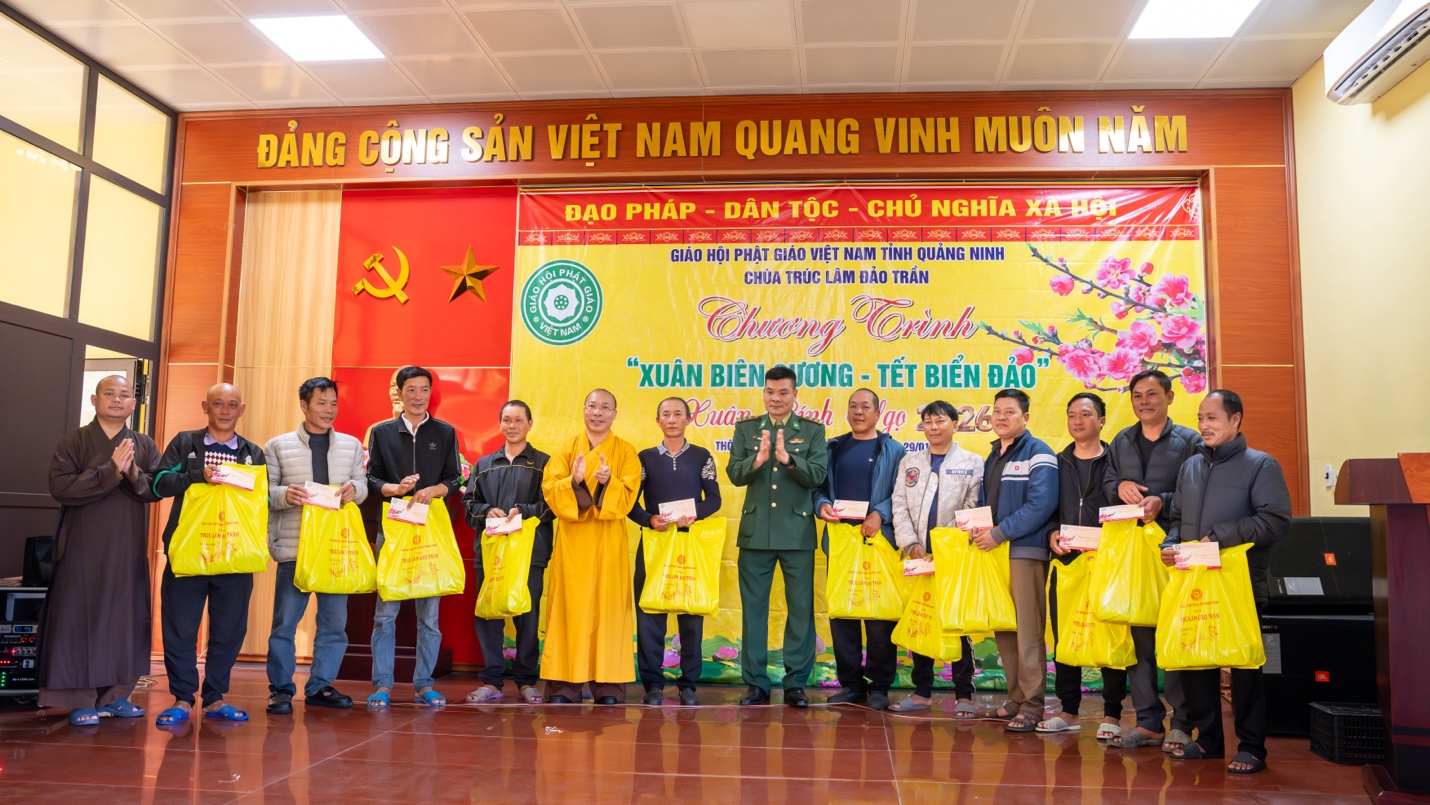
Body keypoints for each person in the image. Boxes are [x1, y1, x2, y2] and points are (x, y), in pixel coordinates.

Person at [1163, 390, 1291, 774]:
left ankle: (1251, 747)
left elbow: (1275, 521)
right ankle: (1209, 741)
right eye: (1200, 418)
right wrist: (1170, 544)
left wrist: (1220, 536)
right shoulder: (1190, 466)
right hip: (1194, 580)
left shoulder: (1261, 465)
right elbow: (1176, 518)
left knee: (1244, 666)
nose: (1204, 425)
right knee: (1196, 660)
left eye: (1212, 418)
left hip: (1239, 582)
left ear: (1235, 420)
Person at [39, 375, 161, 726]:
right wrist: (111, 470)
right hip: (83, 547)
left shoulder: (143, 444)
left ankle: (115, 696)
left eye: (124, 395)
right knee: (78, 617)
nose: (117, 399)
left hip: (126, 548)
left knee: (124, 618)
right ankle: (81, 699)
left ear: (133, 404)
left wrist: (133, 472)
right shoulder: (74, 442)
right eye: (109, 393)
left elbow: (156, 487)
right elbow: (61, 488)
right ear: (94, 400)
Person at [152, 382, 265, 726]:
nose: (225, 410)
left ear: (241, 410)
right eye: (218, 403)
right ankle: (182, 697)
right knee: (180, 627)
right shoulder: (185, 443)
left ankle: (215, 697)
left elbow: (261, 501)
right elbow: (159, 484)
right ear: (206, 407)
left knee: (229, 629)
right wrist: (196, 476)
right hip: (189, 551)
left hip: (234, 553)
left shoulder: (252, 453)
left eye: (232, 404)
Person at [1103, 369, 1202, 752]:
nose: (1144, 402)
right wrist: (1120, 486)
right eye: (1137, 396)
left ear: (1170, 397)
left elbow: (1197, 492)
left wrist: (1163, 500)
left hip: (1172, 549)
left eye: (1152, 394)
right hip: (1133, 553)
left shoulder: (1190, 441)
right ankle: (1147, 722)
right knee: (1139, 637)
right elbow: (1107, 484)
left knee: (1175, 636)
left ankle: (1181, 722)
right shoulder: (1121, 440)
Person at [262, 377, 368, 715]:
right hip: (295, 547)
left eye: (333, 403)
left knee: (334, 625)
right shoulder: (277, 446)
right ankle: (281, 689)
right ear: (304, 405)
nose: (328, 410)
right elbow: (265, 492)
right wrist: (284, 494)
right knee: (285, 625)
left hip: (335, 548)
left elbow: (362, 484)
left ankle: (321, 685)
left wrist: (355, 490)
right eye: (321, 403)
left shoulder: (351, 445)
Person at [727, 366, 829, 708]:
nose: (776, 398)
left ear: (795, 395)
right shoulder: (746, 428)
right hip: (755, 533)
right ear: (764, 393)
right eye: (770, 392)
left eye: (783, 392)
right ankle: (756, 684)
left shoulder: (813, 430)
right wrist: (756, 460)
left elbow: (818, 475)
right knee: (753, 611)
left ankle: (796, 683)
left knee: (800, 611)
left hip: (797, 533)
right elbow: (734, 473)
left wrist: (789, 460)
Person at [365, 365, 463, 709]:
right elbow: (371, 479)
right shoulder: (382, 432)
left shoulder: (445, 432)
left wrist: (434, 490)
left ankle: (424, 683)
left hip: (430, 529)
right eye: (411, 390)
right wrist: (395, 488)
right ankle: (382, 684)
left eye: (424, 390)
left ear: (430, 393)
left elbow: (454, 478)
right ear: (399, 393)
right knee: (385, 615)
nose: (418, 397)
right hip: (393, 530)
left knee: (429, 618)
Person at [540, 389, 642, 704]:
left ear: (614, 414)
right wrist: (574, 481)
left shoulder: (626, 452)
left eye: (605, 407)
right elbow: (549, 488)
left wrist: (609, 482)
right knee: (570, 609)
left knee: (608, 609)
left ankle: (608, 686)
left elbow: (629, 496)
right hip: (573, 541)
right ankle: (565, 686)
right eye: (593, 406)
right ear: (584, 410)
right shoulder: (567, 448)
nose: (598, 413)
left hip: (609, 541)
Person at [1038, 393, 1127, 737]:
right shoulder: (1057, 462)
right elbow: (1046, 509)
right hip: (1067, 563)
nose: (1077, 421)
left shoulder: (1116, 463)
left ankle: (1113, 714)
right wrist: (1051, 533)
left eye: (1086, 414)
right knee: (1066, 637)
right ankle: (1069, 710)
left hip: (1106, 563)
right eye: (1072, 414)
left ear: (1101, 420)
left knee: (1110, 634)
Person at [888, 400, 984, 716]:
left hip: (954, 557)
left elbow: (972, 508)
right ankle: (921, 693)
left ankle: (964, 695)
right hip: (919, 556)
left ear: (955, 425)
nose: (933, 427)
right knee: (922, 620)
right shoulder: (910, 462)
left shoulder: (972, 462)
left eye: (940, 421)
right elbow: (899, 505)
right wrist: (910, 544)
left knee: (958, 624)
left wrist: (946, 548)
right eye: (928, 422)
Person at [971, 388, 1057, 733]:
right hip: (995, 552)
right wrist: (977, 527)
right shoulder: (993, 455)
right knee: (1005, 627)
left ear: (1026, 417)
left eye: (1010, 411)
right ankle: (1016, 699)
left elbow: (1042, 504)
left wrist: (1000, 532)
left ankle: (1033, 705)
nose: (1001, 417)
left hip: (1024, 550)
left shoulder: (1039, 452)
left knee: (1028, 630)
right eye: (997, 411)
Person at [811, 389, 903, 710]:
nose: (859, 412)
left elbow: (903, 492)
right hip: (841, 543)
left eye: (866, 407)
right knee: (844, 615)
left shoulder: (893, 450)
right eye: (853, 406)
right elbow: (819, 487)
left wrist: (881, 513)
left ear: (878, 413)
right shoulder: (833, 447)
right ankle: (851, 685)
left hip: (878, 540)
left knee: (879, 617)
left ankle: (880, 687)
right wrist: (822, 504)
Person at [628, 397, 723, 706]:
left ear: (688, 419)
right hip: (654, 544)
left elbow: (714, 499)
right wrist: (648, 519)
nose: (671, 419)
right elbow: (630, 503)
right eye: (665, 414)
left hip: (688, 543)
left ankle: (689, 685)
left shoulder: (701, 456)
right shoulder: (644, 458)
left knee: (691, 615)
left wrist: (693, 514)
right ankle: (653, 685)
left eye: (677, 414)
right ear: (657, 421)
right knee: (650, 615)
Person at [462, 400, 553, 705]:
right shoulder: (484, 464)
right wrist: (486, 511)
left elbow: (552, 506)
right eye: (506, 420)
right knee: (489, 614)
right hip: (491, 553)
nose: (512, 426)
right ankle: (491, 681)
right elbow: (468, 505)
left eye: (518, 420)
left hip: (530, 552)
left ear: (530, 424)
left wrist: (523, 511)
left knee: (527, 614)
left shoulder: (544, 463)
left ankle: (526, 681)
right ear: (500, 424)